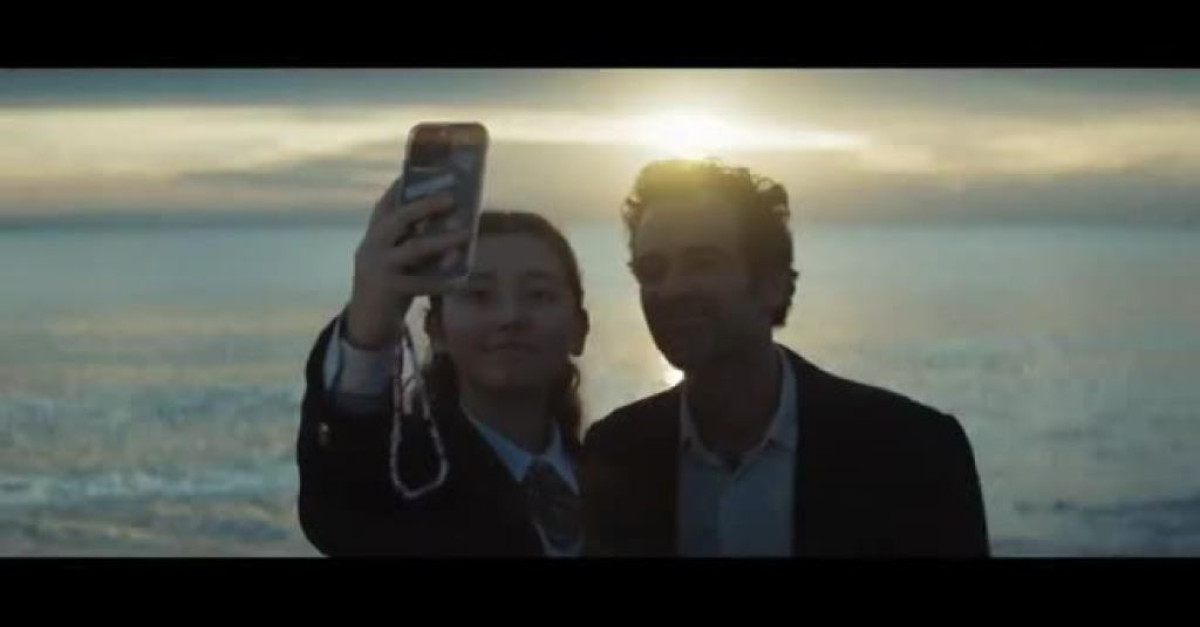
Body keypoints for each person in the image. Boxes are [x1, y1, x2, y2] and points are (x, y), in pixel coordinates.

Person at [581, 159, 990, 557]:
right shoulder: (616, 452)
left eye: (703, 264)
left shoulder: (912, 452)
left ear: (772, 285)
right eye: (652, 271)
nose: (672, 289)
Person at [297, 177, 590, 556]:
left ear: (579, 330)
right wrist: (369, 333)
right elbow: (339, 497)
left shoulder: (626, 474)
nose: (511, 316)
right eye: (479, 295)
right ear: (437, 330)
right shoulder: (405, 483)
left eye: (539, 295)